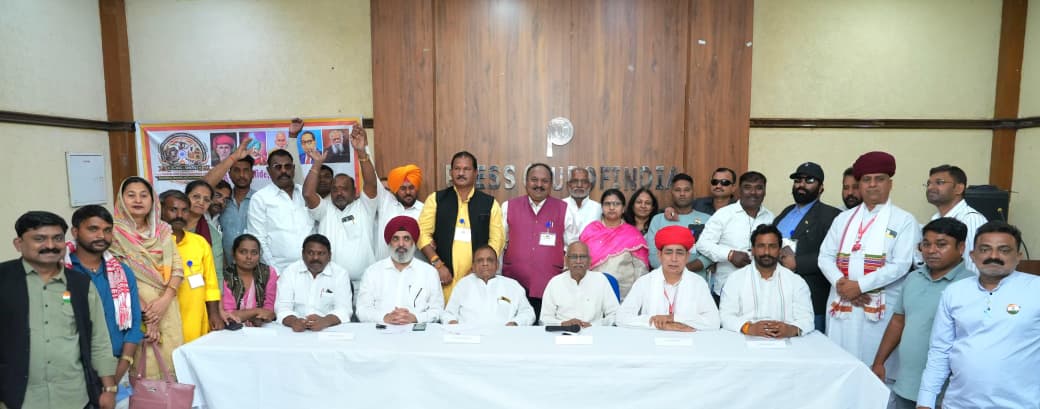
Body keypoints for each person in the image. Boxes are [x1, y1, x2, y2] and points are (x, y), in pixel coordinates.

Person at [1, 211, 118, 409]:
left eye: (57, 238)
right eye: (39, 239)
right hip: (18, 399)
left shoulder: (81, 285)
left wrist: (109, 388)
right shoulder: (3, 280)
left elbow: (99, 340)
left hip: (74, 398)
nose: (50, 245)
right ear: (18, 244)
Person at [917, 221, 1040, 409]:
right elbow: (940, 351)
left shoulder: (1035, 289)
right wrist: (925, 402)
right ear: (973, 255)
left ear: (1018, 256)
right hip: (958, 403)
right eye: (985, 249)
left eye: (1004, 250)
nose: (993, 256)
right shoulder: (955, 292)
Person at [818, 151, 919, 374]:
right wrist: (843, 285)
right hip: (842, 304)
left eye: (879, 179)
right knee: (840, 368)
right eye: (866, 179)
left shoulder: (904, 220)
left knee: (875, 369)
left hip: (879, 309)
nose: (872, 185)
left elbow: (901, 264)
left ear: (890, 183)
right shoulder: (843, 218)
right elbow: (824, 256)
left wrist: (859, 286)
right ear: (860, 184)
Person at [869, 218, 973, 409]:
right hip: (905, 385)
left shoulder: (971, 286)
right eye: (926, 244)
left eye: (941, 245)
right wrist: (879, 362)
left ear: (961, 248)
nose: (931, 250)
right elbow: (898, 321)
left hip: (946, 393)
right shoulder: (913, 278)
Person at [107, 177, 185, 380]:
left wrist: (165, 299)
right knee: (146, 362)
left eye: (143, 195)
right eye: (131, 195)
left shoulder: (163, 230)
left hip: (167, 305)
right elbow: (116, 274)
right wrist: (147, 315)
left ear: (153, 200)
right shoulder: (113, 233)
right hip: (135, 305)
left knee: (172, 363)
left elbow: (177, 267)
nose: (138, 200)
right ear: (121, 199)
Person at [65, 205, 143, 407]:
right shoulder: (64, 272)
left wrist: (114, 378)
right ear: (75, 232)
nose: (101, 235)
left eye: (107, 230)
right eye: (93, 229)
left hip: (118, 367)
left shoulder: (121, 272)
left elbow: (134, 325)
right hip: (74, 370)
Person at [418, 151, 505, 301]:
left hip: (477, 279)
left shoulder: (489, 203)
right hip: (443, 279)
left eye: (466, 169)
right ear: (451, 172)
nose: (461, 173)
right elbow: (422, 234)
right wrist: (438, 264)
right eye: (457, 169)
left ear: (476, 173)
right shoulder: (436, 200)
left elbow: (497, 240)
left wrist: (477, 268)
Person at [304, 124, 378, 293]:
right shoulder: (325, 209)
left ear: (355, 191)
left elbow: (371, 183)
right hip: (332, 285)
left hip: (365, 285)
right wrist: (317, 164)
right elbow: (308, 194)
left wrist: (361, 152)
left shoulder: (365, 206)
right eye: (335, 189)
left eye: (344, 188)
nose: (339, 193)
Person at [502, 163, 579, 319]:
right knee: (514, 328)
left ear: (551, 184)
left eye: (544, 181)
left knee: (546, 328)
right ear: (526, 182)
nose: (539, 184)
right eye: (534, 180)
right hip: (514, 282)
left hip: (550, 285)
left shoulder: (564, 209)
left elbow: (572, 246)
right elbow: (500, 243)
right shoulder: (508, 207)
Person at [774, 162, 841, 333]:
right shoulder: (787, 211)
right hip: (778, 294)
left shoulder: (832, 215)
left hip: (811, 298)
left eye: (809, 180)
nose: (801, 185)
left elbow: (837, 254)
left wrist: (798, 263)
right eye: (798, 180)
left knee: (809, 344)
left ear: (821, 188)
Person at [618, 226, 720, 331]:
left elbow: (714, 322)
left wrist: (674, 318)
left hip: (688, 339)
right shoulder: (644, 282)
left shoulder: (698, 283)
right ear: (659, 255)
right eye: (668, 252)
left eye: (679, 253)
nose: (674, 259)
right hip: (651, 339)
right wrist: (661, 325)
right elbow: (622, 317)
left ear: (687, 256)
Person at [719, 224, 814, 338]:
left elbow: (807, 319)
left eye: (772, 246)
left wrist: (790, 329)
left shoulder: (796, 282)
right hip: (743, 341)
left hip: (787, 343)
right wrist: (748, 328)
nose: (767, 252)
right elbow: (725, 315)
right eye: (761, 246)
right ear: (753, 250)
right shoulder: (735, 279)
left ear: (780, 250)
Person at [159, 190, 227, 343]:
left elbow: (211, 284)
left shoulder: (199, 243)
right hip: (164, 320)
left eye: (184, 210)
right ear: (160, 210)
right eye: (173, 210)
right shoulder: (154, 243)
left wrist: (214, 314)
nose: (179, 215)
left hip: (195, 320)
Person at [696, 171, 775, 300]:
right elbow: (703, 244)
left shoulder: (770, 217)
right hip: (727, 291)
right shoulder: (724, 214)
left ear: (765, 191)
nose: (753, 192)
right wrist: (730, 255)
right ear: (739, 191)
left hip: (761, 291)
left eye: (759, 188)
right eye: (747, 187)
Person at [356, 216, 444, 324]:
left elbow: (438, 310)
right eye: (395, 239)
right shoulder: (372, 272)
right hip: (381, 331)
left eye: (406, 238)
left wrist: (415, 318)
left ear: (413, 242)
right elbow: (362, 309)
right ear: (389, 242)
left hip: (416, 331)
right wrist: (385, 317)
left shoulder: (429, 273)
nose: (401, 244)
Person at [246, 149, 314, 274]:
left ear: (293, 168)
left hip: (312, 269)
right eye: (278, 167)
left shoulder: (306, 194)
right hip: (280, 272)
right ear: (268, 171)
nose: (283, 171)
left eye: (287, 166)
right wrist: (275, 272)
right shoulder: (260, 198)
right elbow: (258, 239)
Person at [579, 189, 650, 299]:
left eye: (616, 204)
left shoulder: (632, 234)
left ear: (623, 208)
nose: (612, 207)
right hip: (592, 294)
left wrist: (636, 297)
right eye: (607, 204)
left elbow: (640, 270)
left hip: (624, 296)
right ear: (602, 208)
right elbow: (579, 261)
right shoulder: (590, 230)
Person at [275, 234, 353, 332]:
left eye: (321, 253)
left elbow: (344, 310)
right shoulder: (289, 272)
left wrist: (325, 321)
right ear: (303, 254)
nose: (315, 257)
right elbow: (282, 308)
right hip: (296, 330)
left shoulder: (340, 274)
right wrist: (294, 321)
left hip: (329, 330)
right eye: (310, 253)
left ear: (329, 256)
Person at [442, 246, 535, 326]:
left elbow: (528, 313)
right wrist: (452, 322)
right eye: (480, 260)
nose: (485, 264)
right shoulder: (463, 285)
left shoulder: (512, 285)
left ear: (497, 265)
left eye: (490, 260)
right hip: (469, 337)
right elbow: (448, 314)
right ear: (473, 266)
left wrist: (515, 323)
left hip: (503, 336)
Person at [646, 174, 712, 279]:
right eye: (677, 190)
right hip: (663, 281)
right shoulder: (658, 220)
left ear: (693, 192)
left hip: (697, 280)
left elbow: (710, 254)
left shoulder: (707, 219)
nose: (682, 194)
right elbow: (653, 256)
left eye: (687, 190)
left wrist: (684, 270)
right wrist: (674, 271)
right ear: (671, 193)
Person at [540, 241, 620, 326]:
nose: (578, 261)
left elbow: (615, 315)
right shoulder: (555, 283)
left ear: (589, 260)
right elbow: (544, 319)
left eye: (583, 257)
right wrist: (562, 323)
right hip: (562, 331)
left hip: (594, 331)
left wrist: (594, 325)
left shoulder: (601, 280)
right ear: (566, 260)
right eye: (574, 257)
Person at [925, 164, 986, 273]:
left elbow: (973, 268)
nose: (930, 188)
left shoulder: (971, 219)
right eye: (929, 183)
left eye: (939, 182)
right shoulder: (935, 219)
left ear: (959, 188)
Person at [202, 140, 255, 262]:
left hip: (254, 266)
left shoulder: (260, 200)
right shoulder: (221, 202)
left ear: (253, 173)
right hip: (224, 267)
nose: (241, 175)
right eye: (236, 170)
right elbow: (202, 186)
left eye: (246, 170)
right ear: (229, 174)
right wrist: (232, 158)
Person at [222, 234, 278, 327]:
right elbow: (230, 314)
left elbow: (269, 309)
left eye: (254, 253)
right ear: (233, 253)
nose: (249, 257)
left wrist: (259, 318)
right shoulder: (225, 276)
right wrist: (257, 311)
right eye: (243, 252)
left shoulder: (268, 273)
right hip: (231, 328)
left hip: (263, 327)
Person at [373, 164, 425, 261]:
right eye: (403, 188)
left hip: (415, 268)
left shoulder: (425, 210)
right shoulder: (386, 203)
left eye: (411, 188)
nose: (408, 192)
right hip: (385, 268)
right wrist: (364, 157)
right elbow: (371, 180)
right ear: (396, 190)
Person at [185, 180, 224, 283]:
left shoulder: (212, 234)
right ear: (185, 197)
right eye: (196, 197)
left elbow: (217, 272)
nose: (201, 202)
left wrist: (218, 293)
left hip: (199, 287)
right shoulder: (171, 226)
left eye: (206, 200)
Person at [563, 167, 602, 231]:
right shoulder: (559, 207)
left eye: (584, 182)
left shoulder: (599, 209)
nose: (579, 185)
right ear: (568, 185)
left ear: (589, 185)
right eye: (575, 181)